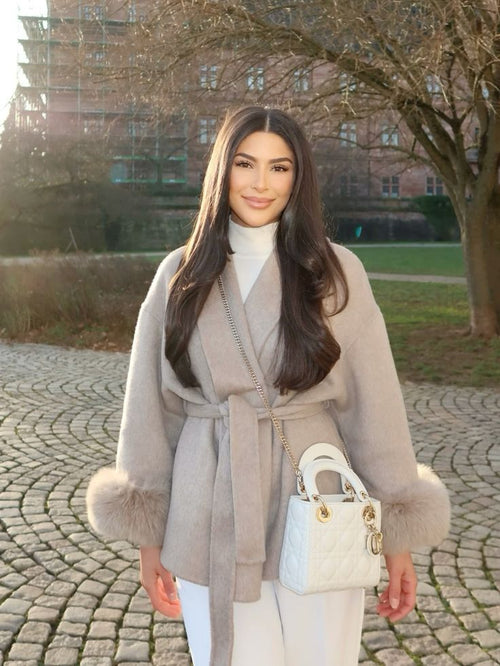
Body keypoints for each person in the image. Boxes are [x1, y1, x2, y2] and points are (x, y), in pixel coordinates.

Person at [86, 106, 450, 666]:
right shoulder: (179, 275)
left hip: (318, 496)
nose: (260, 183)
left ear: (298, 177)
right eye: (245, 163)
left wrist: (397, 533)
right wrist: (149, 534)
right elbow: (151, 411)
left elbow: (374, 406)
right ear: (221, 170)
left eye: (279, 167)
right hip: (209, 503)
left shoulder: (337, 272)